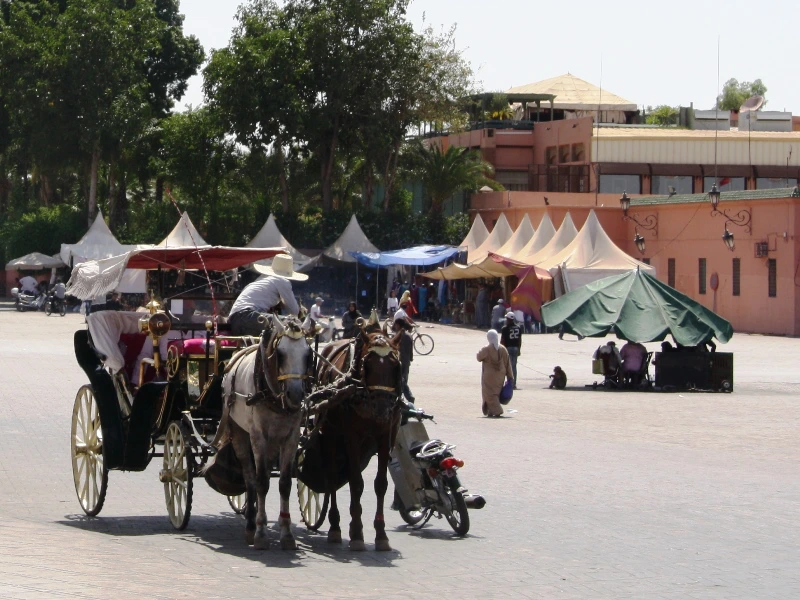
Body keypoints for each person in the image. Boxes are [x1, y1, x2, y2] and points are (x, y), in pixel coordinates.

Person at [227, 253, 305, 336]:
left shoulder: (262, 279)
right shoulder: (282, 281)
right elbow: (294, 311)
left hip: (235, 321)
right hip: (247, 317)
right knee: (293, 323)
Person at [477, 329, 514, 418]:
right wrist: (510, 376)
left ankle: (497, 410)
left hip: (489, 376)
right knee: (496, 392)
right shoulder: (503, 349)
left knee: (490, 393)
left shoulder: (486, 348)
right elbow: (508, 363)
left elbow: (478, 357)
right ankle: (490, 411)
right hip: (500, 375)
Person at [393, 318, 415, 403]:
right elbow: (411, 350)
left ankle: (409, 397)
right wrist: (410, 358)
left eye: (395, 324)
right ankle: (401, 397)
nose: (394, 326)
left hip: (400, 361)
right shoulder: (408, 335)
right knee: (404, 380)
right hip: (407, 361)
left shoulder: (400, 335)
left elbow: (399, 350)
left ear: (398, 325)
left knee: (400, 380)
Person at [500, 312, 523, 388]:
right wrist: (519, 349)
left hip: (508, 348)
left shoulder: (505, 328)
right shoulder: (518, 328)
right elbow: (520, 340)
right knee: (514, 366)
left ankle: (508, 383)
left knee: (507, 366)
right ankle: (513, 383)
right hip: (516, 348)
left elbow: (502, 341)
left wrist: (501, 350)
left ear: (508, 319)